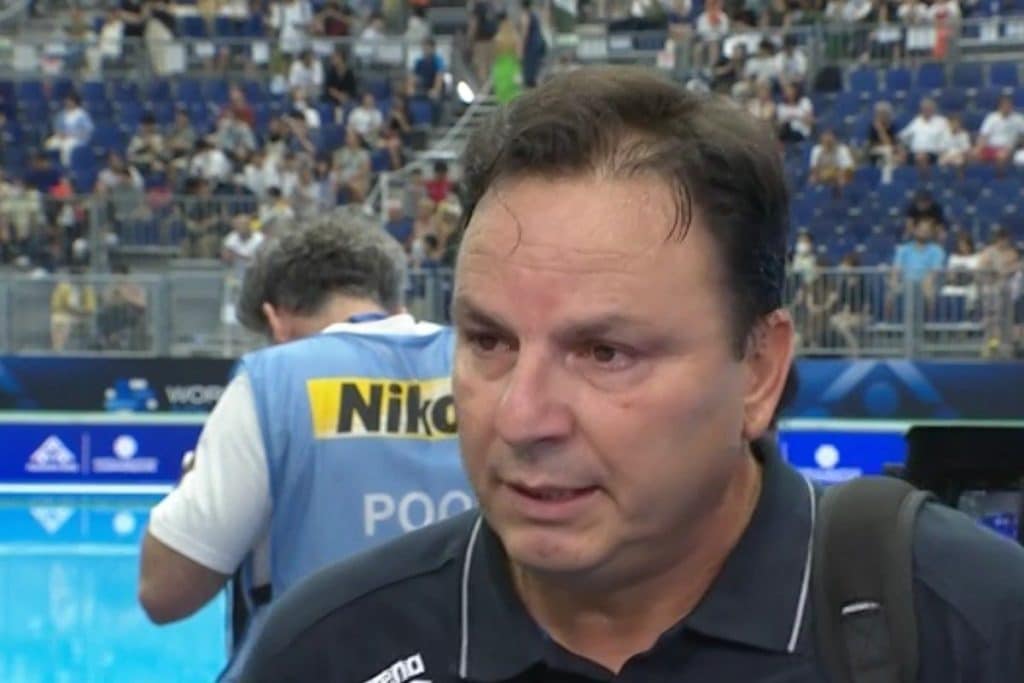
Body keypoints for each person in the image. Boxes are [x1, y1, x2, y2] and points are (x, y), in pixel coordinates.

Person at [234, 66, 1024, 683]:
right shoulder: (328, 650)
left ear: (758, 370)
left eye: (605, 353)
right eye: (488, 340)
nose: (521, 416)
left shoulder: (976, 626)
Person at [138, 213, 473, 676]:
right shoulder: (483, 363)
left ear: (276, 319)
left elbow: (163, 591)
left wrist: (190, 484)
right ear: (395, 299)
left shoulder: (273, 380)